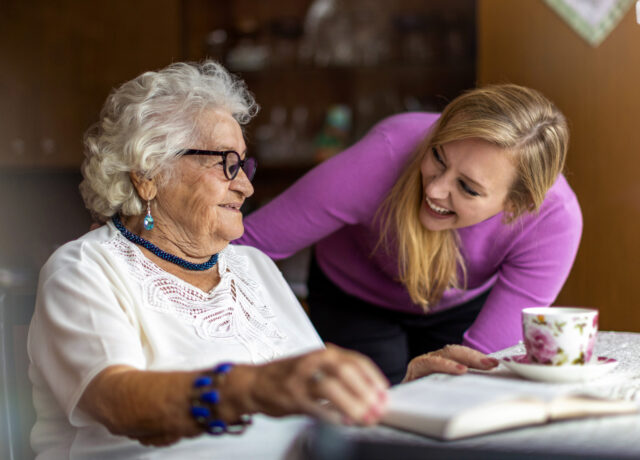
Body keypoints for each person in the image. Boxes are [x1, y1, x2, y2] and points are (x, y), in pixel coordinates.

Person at [27, 61, 497, 459]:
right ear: (149, 176)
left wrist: (405, 388)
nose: (246, 186)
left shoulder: (250, 267)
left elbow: (310, 397)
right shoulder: (86, 270)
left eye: (244, 165)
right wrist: (249, 388)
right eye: (225, 165)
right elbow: (118, 402)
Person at [237, 83, 583, 384]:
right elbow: (244, 245)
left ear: (517, 205)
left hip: (461, 305)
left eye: (467, 187)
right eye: (438, 157)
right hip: (355, 297)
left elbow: (480, 367)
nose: (435, 190)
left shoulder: (554, 221)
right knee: (368, 416)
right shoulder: (385, 153)